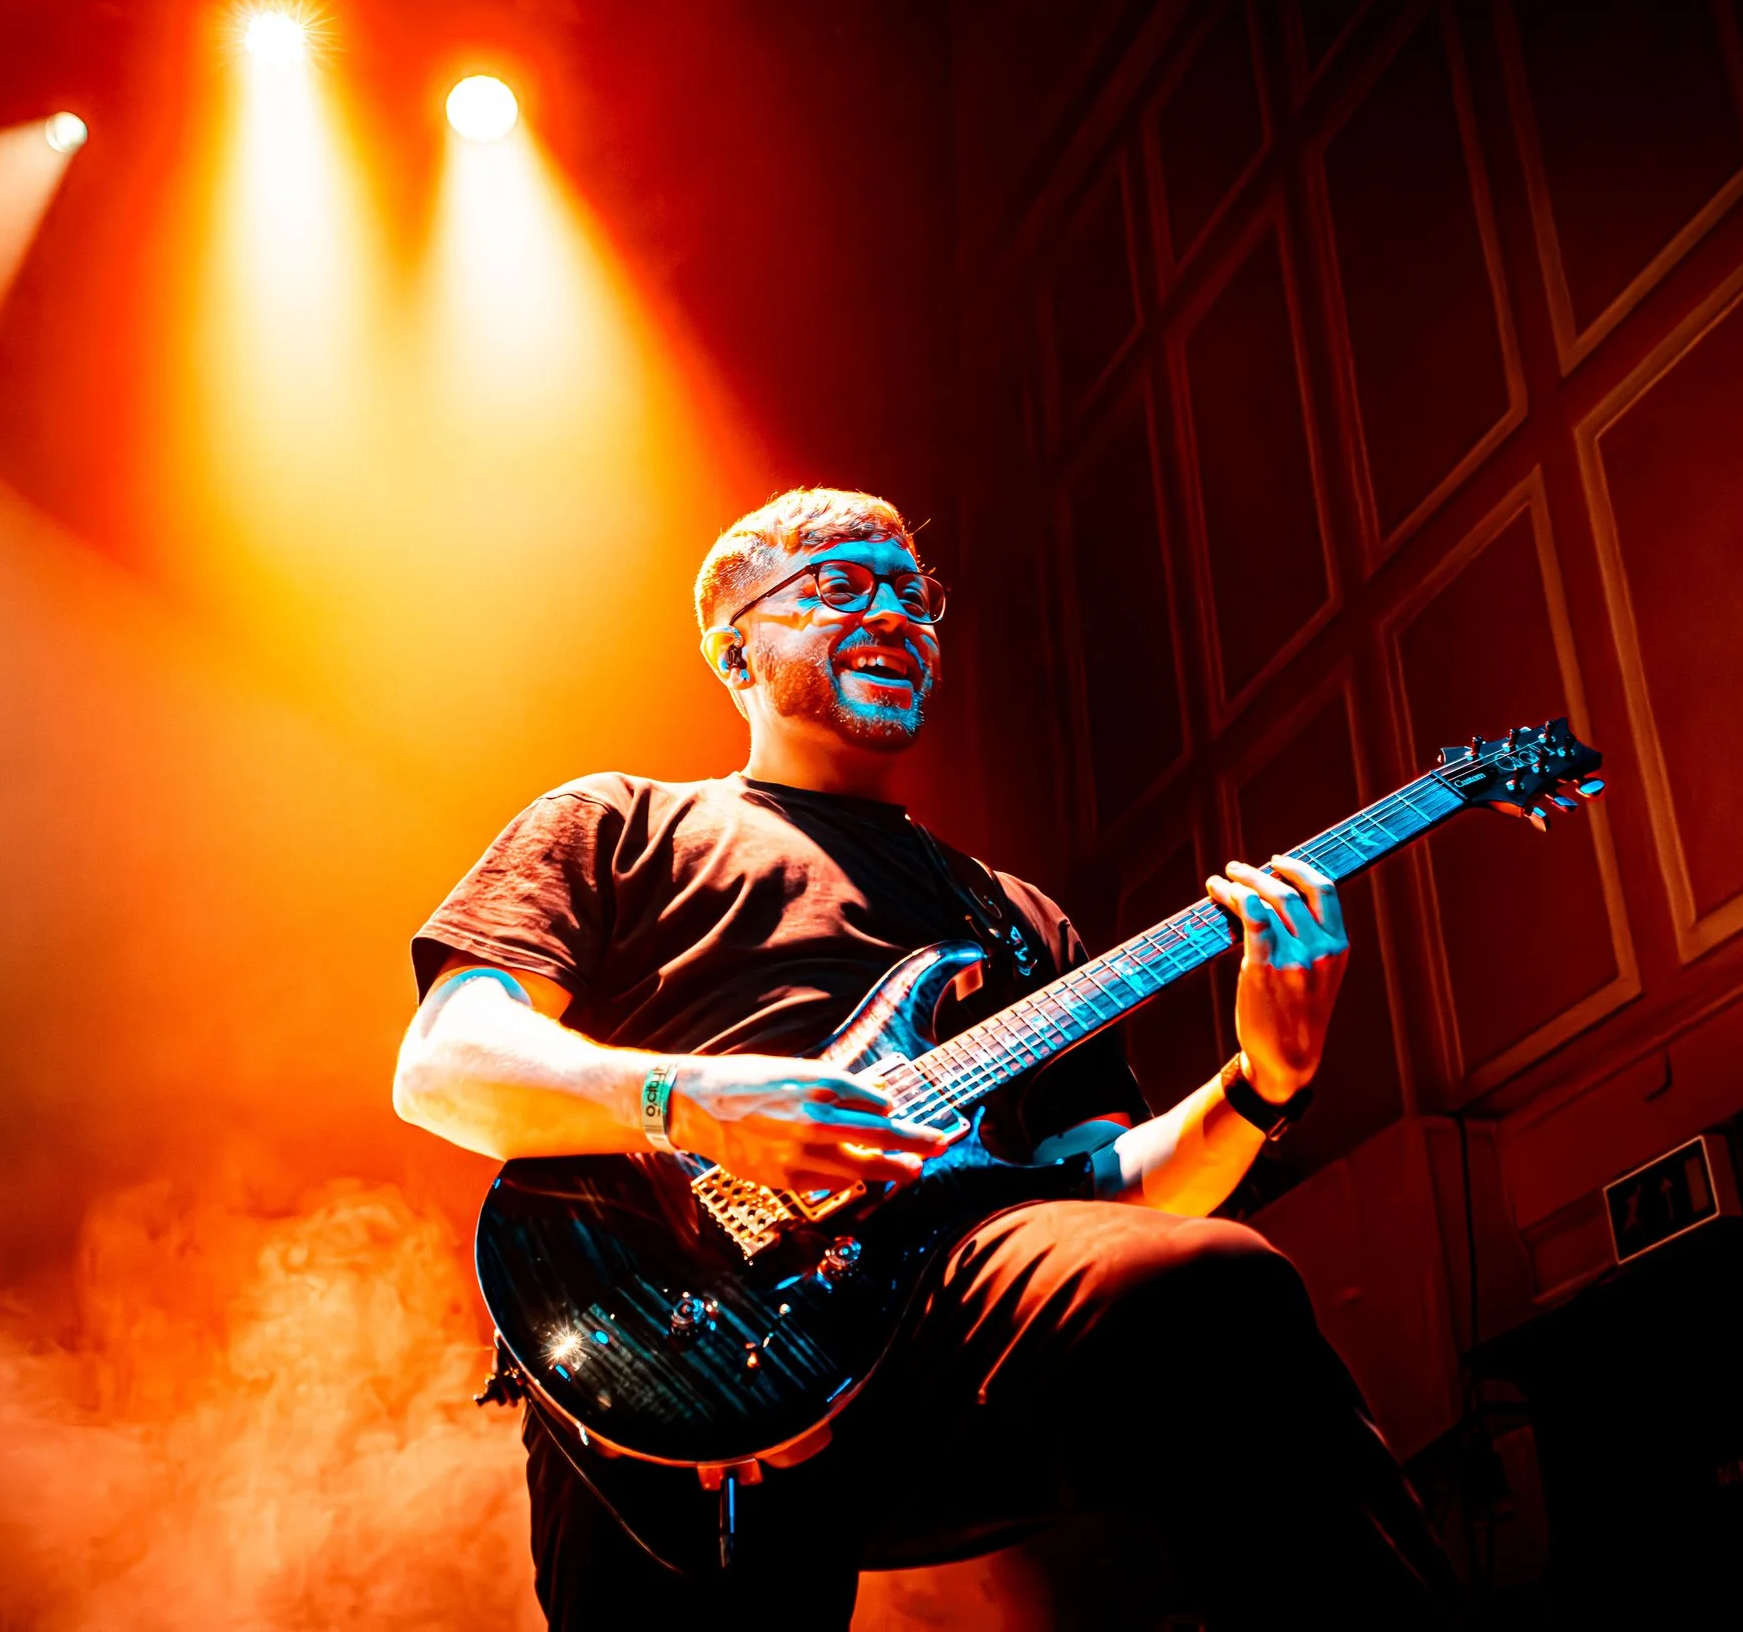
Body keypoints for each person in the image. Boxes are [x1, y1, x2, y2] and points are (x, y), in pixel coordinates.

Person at [393, 488, 1456, 1628]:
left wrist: (1263, 1081)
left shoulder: (1015, 918)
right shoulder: (616, 824)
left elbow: (1114, 1197)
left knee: (1213, 1287)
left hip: (951, 1324)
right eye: (840, 586)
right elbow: (445, 1063)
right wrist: (688, 1099)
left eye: (913, 591)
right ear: (734, 650)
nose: (895, 613)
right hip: (660, 1323)